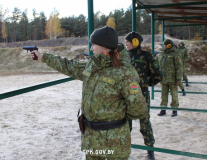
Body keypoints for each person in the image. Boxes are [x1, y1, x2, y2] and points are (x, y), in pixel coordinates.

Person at [30, 26, 148, 160]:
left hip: (115, 141)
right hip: (91, 139)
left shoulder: (124, 71)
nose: (91, 48)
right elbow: (69, 66)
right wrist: (43, 57)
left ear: (104, 46)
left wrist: (116, 118)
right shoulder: (92, 65)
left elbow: (138, 109)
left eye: (94, 45)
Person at [125, 31, 162, 160]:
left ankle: (150, 150)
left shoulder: (147, 56)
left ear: (135, 42)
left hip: (141, 94)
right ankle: (124, 150)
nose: (126, 44)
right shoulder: (123, 56)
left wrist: (145, 84)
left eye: (128, 42)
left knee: (144, 123)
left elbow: (158, 75)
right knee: (125, 123)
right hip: (126, 96)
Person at [158, 39, 183, 117]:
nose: (163, 46)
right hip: (164, 79)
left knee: (174, 95)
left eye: (164, 45)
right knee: (163, 95)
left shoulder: (176, 54)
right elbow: (158, 66)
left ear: (169, 45)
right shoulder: (161, 54)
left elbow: (179, 67)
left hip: (173, 79)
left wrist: (178, 79)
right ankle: (163, 109)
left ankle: (175, 110)